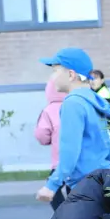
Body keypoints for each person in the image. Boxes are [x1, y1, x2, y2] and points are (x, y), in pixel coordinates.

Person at [35, 49, 110, 209]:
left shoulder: (73, 103)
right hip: (103, 181)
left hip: (85, 187)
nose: (52, 78)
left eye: (55, 71)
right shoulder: (94, 101)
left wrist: (51, 185)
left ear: (71, 75)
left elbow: (70, 150)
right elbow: (108, 143)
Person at [34, 75, 65, 208]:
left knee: (53, 189)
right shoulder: (79, 104)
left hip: (60, 161)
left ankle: (64, 216)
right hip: (83, 162)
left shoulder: (49, 111)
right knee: (77, 192)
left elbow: (42, 135)